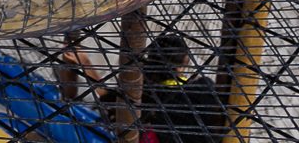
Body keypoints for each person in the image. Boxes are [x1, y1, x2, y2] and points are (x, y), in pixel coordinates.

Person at [62, 33, 226, 143]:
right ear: (179, 68)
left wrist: (84, 62)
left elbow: (105, 94)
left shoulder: (142, 90)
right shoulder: (202, 87)